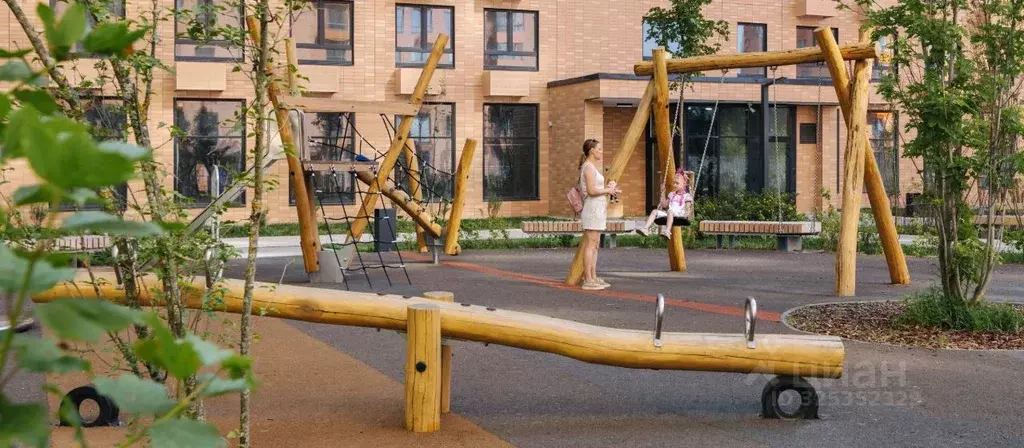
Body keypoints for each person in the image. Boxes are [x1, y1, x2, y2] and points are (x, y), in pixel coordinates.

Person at [577, 139, 621, 291]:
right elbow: (591, 191)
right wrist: (607, 190)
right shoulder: (588, 167)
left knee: (595, 244)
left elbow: (597, 188)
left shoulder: (592, 167)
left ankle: (593, 275)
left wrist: (610, 188)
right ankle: (587, 278)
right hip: (592, 208)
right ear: (591, 151)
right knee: (590, 244)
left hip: (598, 208)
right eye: (599, 149)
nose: (601, 152)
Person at [636, 169, 693, 238]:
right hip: (669, 213)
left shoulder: (686, 196)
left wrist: (687, 213)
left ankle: (667, 231)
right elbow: (664, 205)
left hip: (680, 215)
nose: (674, 185)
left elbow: (688, 207)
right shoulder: (671, 194)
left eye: (677, 183)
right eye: (674, 183)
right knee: (654, 211)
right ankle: (645, 229)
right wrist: (663, 193)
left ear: (684, 184)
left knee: (670, 211)